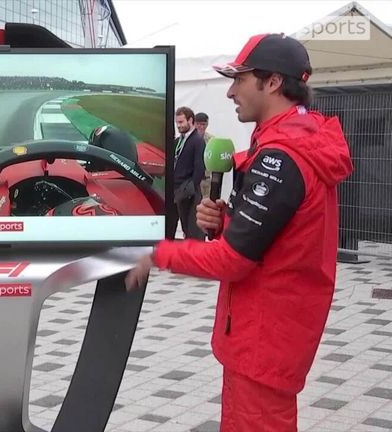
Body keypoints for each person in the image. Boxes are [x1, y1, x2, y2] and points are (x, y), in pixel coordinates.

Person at [125, 33, 353, 431]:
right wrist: (227, 220)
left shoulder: (281, 157)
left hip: (264, 339)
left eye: (239, 79)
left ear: (273, 82)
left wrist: (157, 253)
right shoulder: (295, 141)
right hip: (270, 334)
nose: (230, 91)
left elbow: (233, 261)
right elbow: (282, 239)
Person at [168, 106, 205, 240]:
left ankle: (191, 256)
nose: (179, 126)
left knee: (190, 229)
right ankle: (169, 253)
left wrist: (190, 187)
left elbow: (200, 167)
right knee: (170, 225)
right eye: (177, 123)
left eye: (181, 122)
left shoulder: (197, 141)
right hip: (173, 189)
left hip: (187, 190)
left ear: (190, 121)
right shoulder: (177, 141)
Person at [195, 112, 213, 199]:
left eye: (203, 124)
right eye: (198, 124)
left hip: (206, 179)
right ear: (194, 123)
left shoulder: (212, 140)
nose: (201, 127)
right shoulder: (186, 139)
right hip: (191, 180)